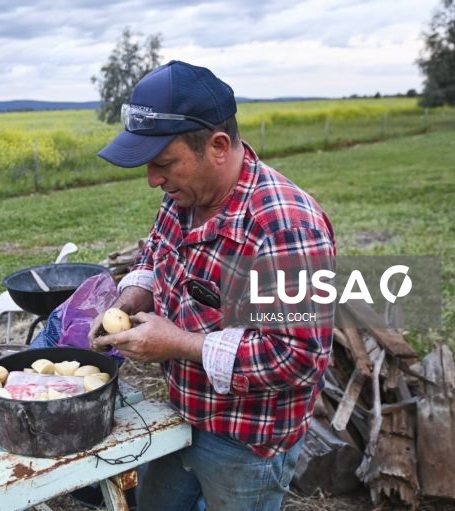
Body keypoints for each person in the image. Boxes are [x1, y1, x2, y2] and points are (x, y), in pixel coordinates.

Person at [88, 60, 336, 511]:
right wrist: (127, 300)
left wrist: (179, 344)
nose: (153, 181)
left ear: (218, 147)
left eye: (163, 164)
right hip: (179, 415)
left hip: (247, 443)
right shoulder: (182, 198)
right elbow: (155, 256)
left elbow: (297, 357)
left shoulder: (283, 226)